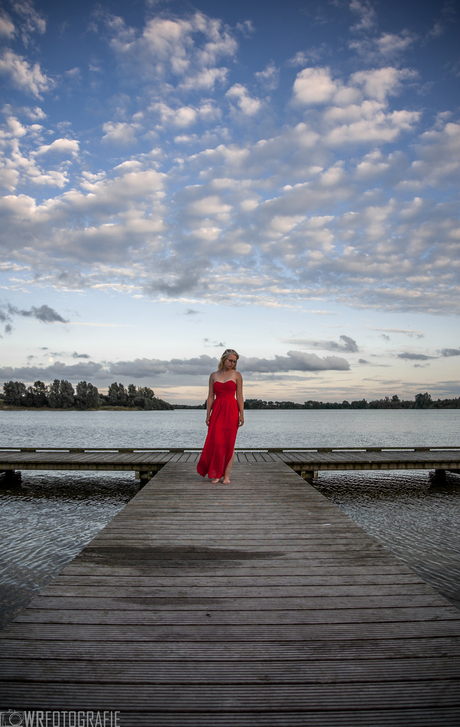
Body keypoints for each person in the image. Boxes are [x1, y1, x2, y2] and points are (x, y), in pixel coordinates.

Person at [196, 348, 244, 484]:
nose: (232, 363)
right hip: (217, 410)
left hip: (231, 410)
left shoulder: (237, 375)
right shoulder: (213, 375)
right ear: (224, 360)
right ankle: (217, 473)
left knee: (229, 443)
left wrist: (242, 414)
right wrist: (208, 414)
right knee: (217, 442)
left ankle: (226, 476)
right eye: (230, 360)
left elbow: (240, 396)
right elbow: (210, 396)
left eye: (234, 361)